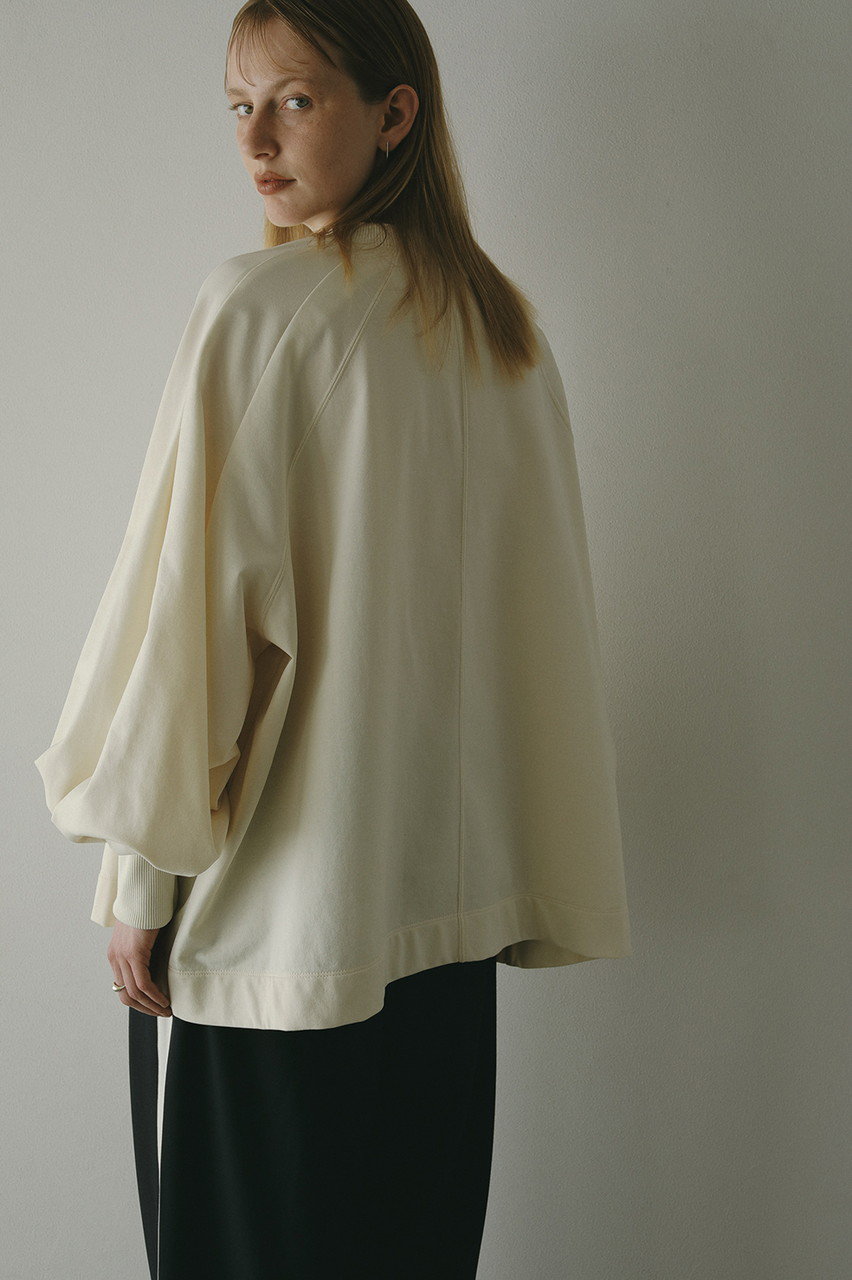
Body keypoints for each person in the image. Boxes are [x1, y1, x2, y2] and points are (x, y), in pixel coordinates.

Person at [34, 2, 633, 1277]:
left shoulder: (260, 311)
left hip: (287, 941)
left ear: (394, 112)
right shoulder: (506, 337)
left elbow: (189, 629)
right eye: (238, 105)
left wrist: (140, 884)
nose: (255, 138)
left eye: (295, 100)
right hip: (447, 949)